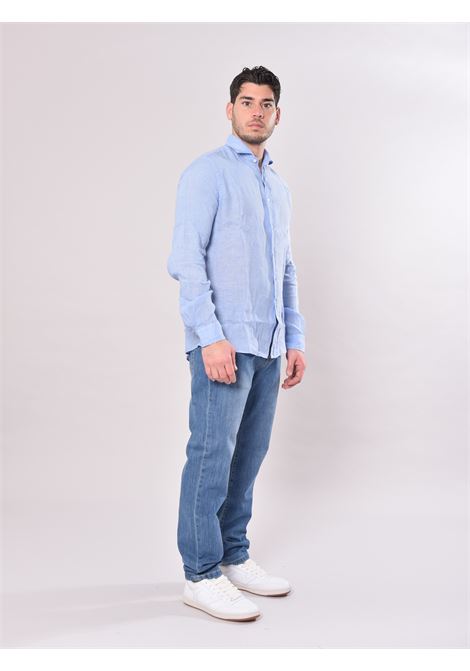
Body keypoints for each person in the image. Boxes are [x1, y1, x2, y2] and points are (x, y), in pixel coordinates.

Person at [167, 65, 307, 622]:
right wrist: (210, 337)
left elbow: (285, 268)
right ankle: (200, 574)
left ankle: (232, 555)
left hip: (269, 346)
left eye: (266, 103)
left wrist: (294, 337)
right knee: (210, 455)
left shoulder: (278, 187)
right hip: (223, 344)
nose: (256, 111)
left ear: (277, 114)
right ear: (230, 110)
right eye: (247, 101)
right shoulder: (206, 174)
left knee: (249, 455)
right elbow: (186, 261)